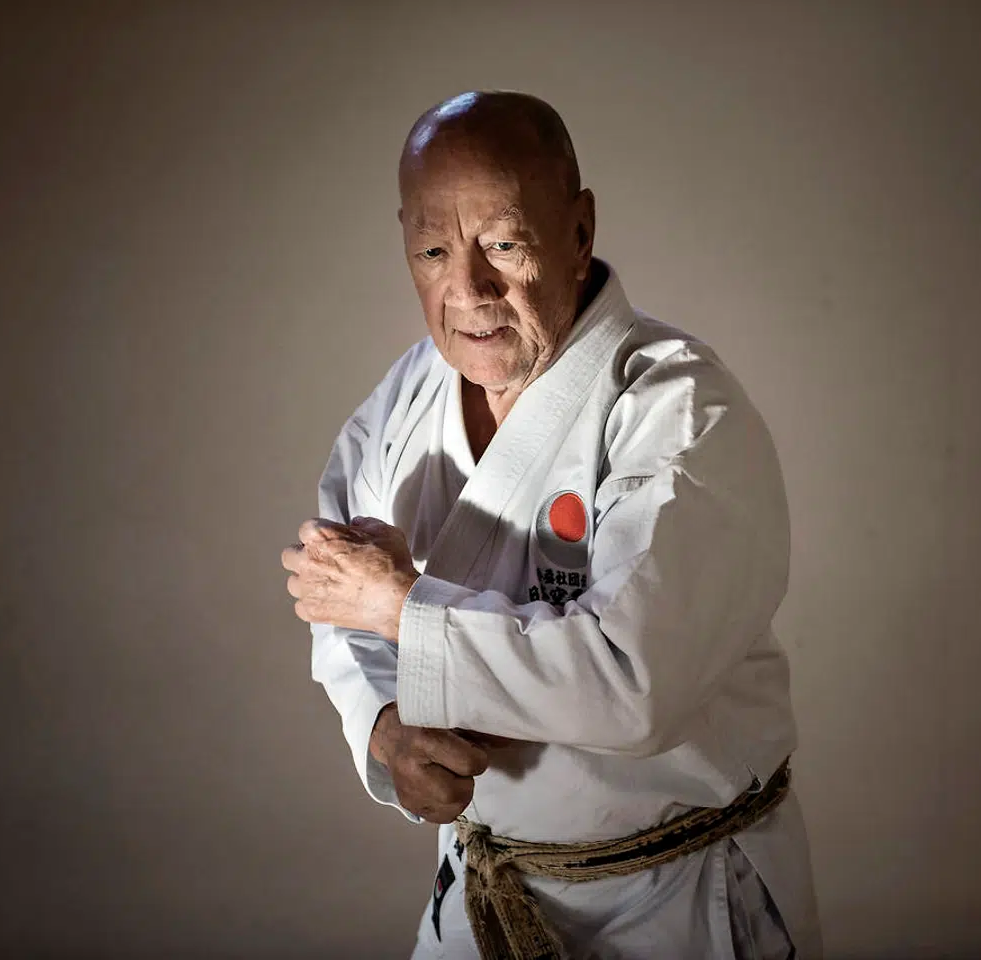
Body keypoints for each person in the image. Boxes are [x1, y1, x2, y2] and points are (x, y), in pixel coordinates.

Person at [281, 90, 821, 959]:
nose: (467, 289)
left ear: (578, 231)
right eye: (432, 250)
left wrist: (402, 608)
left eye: (503, 244)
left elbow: (632, 683)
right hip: (484, 884)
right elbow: (338, 596)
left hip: (678, 900)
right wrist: (383, 723)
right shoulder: (409, 396)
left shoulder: (678, 409)